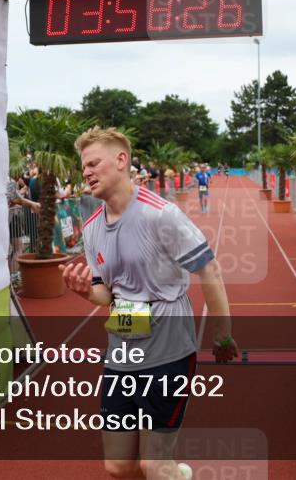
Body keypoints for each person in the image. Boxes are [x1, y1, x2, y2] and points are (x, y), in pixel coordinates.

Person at [60, 127, 238, 480]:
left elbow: (210, 269)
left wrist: (222, 335)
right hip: (122, 352)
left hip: (168, 350)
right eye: (84, 168)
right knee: (118, 467)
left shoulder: (161, 215)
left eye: (94, 163)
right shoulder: (93, 226)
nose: (88, 173)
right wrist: (85, 291)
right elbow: (106, 293)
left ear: (121, 160)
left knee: (153, 465)